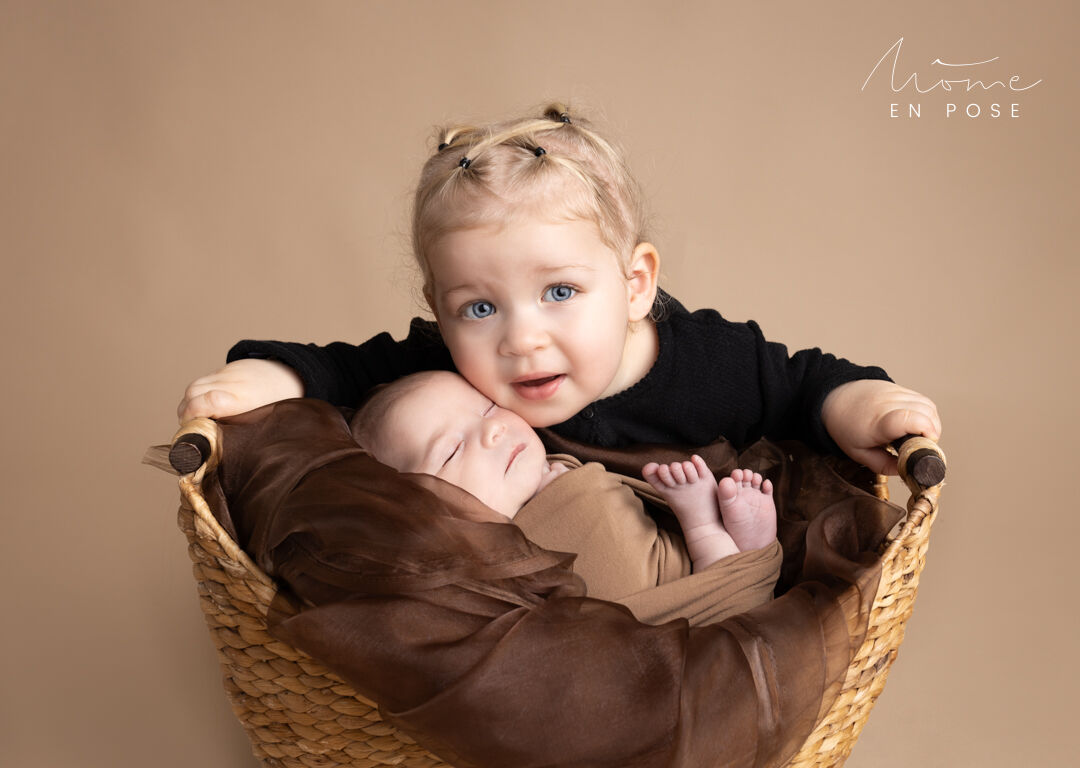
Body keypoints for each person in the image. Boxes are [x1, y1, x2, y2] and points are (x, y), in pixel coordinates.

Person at [177, 103, 941, 478]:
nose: (520, 338)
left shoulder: (711, 361)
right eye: (478, 308)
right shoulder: (442, 368)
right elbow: (334, 370)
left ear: (637, 283)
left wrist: (864, 405)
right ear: (440, 311)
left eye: (561, 292)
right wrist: (262, 378)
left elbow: (807, 385)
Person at [352, 370, 777, 597]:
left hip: (671, 568)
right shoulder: (469, 553)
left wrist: (557, 482)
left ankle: (709, 536)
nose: (492, 432)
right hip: (639, 624)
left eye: (487, 409)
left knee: (676, 563)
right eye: (451, 451)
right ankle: (723, 548)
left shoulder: (556, 459)